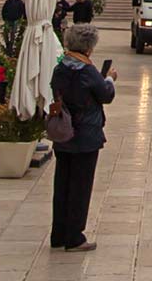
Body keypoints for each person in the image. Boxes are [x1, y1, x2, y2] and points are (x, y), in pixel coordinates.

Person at [48, 23, 116, 252]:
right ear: (89, 46)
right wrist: (109, 79)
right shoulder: (87, 70)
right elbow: (105, 95)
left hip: (63, 133)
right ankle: (74, 236)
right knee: (80, 186)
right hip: (85, 134)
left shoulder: (61, 67)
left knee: (62, 184)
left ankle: (58, 233)